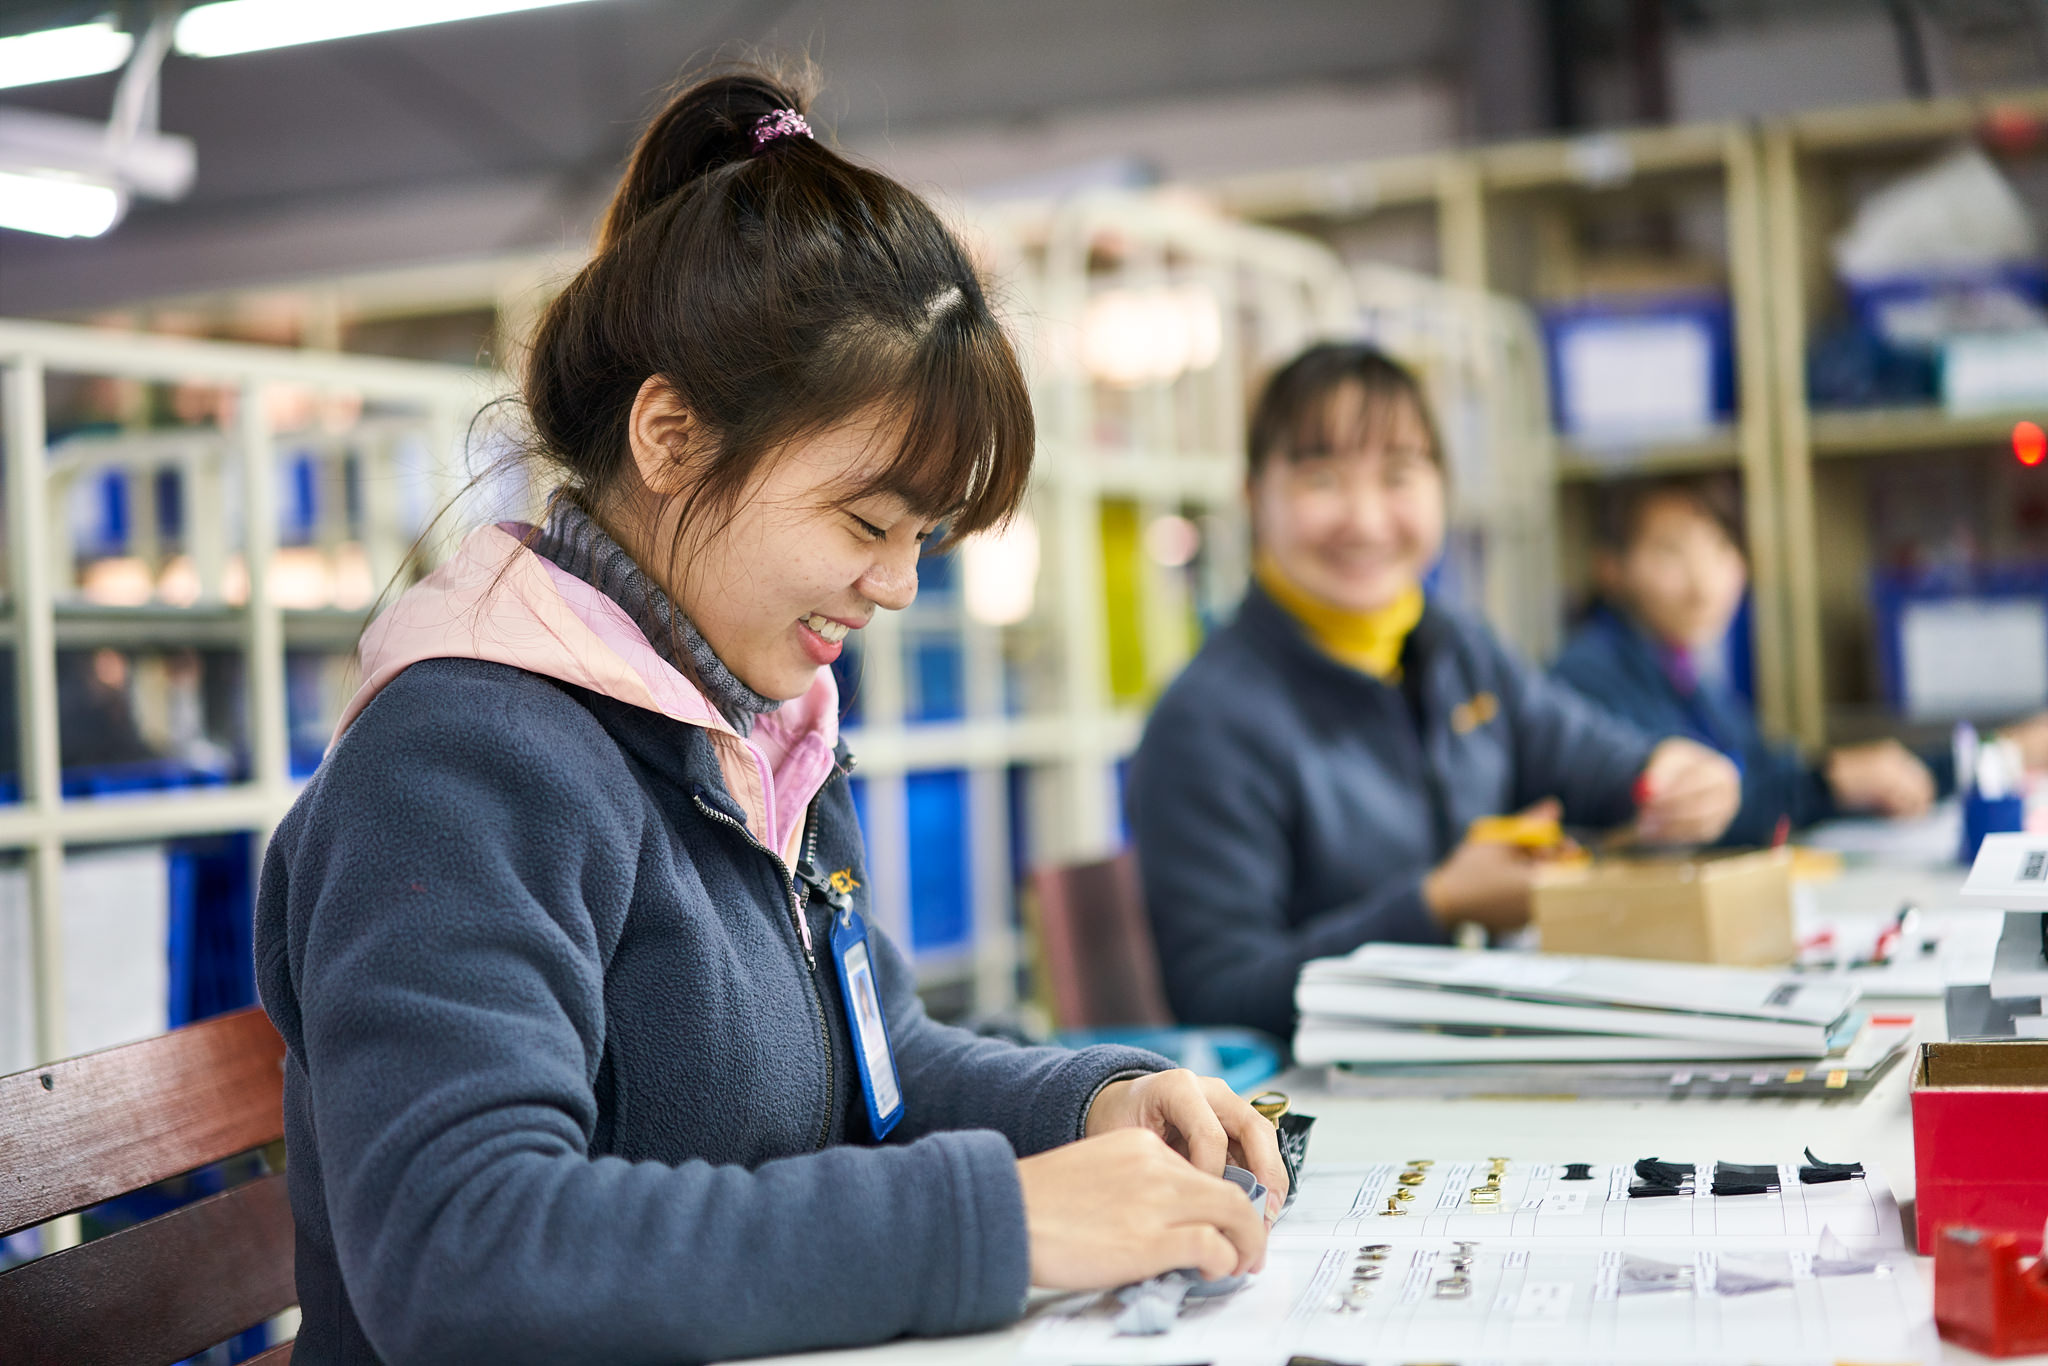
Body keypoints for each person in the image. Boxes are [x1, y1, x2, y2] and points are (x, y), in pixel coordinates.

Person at [255, 65, 1286, 1366]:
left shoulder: (753, 729)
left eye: (923, 538)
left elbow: (879, 1059)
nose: (897, 585)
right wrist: (1001, 1220)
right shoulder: (459, 765)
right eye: (865, 522)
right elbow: (465, 1251)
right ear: (670, 437)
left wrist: (1099, 1102)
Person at [1127, 342, 1741, 1041]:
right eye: (1321, 478)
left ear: (1442, 488)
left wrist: (1669, 773)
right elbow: (1218, 991)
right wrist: (1439, 904)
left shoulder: (1456, 646)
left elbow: (1585, 756)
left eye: (1398, 476)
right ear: (1252, 497)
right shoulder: (1205, 720)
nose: (1365, 520)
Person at [1552, 477, 2048, 844]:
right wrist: (1831, 781)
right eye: (1670, 554)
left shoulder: (1686, 676)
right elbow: (1700, 813)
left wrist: (1996, 753)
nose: (1704, 583)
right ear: (1610, 568)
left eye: (1721, 549)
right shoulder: (1588, 678)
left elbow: (1780, 779)